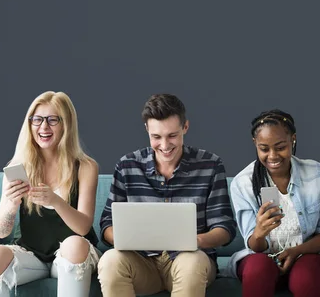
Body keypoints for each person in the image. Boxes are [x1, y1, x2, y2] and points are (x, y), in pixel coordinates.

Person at [98, 93, 236, 297]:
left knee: (192, 261)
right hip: (141, 263)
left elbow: (224, 228)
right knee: (110, 260)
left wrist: (195, 241)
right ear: (147, 129)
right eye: (156, 137)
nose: (164, 145)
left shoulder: (210, 165)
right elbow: (107, 223)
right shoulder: (127, 166)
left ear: (185, 127)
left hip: (189, 261)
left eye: (172, 135)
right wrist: (123, 238)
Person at [0, 91, 100, 297]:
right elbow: (1, 232)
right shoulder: (17, 168)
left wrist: (56, 201)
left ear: (66, 124)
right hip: (32, 255)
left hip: (73, 255)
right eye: (37, 120)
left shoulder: (85, 166)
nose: (43, 127)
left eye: (52, 120)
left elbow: (84, 226)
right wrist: (11, 206)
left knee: (74, 244)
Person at [226, 109, 320, 297]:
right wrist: (259, 233)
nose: (273, 156)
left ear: (293, 140)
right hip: (262, 256)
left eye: (280, 147)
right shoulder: (243, 183)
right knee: (257, 270)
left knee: (305, 278)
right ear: (255, 144)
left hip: (309, 254)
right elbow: (254, 246)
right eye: (264, 149)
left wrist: (296, 251)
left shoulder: (316, 173)